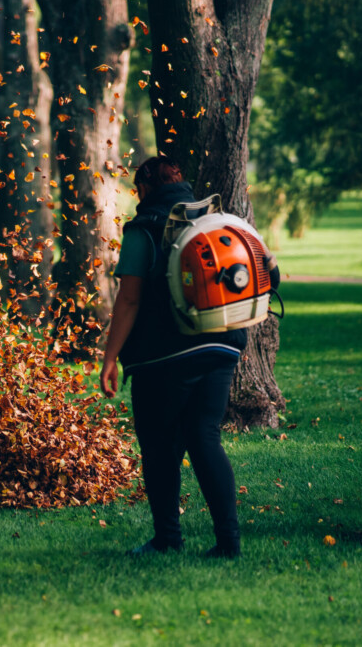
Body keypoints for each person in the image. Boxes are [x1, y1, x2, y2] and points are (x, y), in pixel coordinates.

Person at [100, 156, 244, 559]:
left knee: (160, 447)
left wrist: (110, 359)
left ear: (144, 188)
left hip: (166, 355)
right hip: (222, 345)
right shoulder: (214, 221)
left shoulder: (144, 228)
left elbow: (129, 300)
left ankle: (167, 539)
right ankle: (229, 545)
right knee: (205, 438)